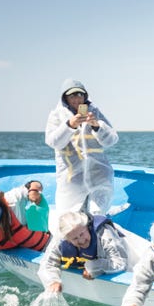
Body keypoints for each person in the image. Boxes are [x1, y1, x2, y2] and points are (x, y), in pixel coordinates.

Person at [44, 78, 119, 221]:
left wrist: (97, 126)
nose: (77, 99)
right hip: (71, 181)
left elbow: (112, 139)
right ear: (65, 98)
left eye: (80, 94)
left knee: (97, 217)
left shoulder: (94, 112)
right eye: (72, 95)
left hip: (99, 177)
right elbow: (52, 142)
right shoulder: (56, 115)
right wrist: (69, 126)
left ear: (85, 96)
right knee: (69, 221)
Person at [37, 211, 130, 294]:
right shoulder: (61, 239)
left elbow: (120, 263)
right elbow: (46, 264)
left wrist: (93, 267)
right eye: (75, 238)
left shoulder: (104, 233)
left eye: (82, 234)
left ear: (87, 227)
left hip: (127, 250)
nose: (81, 241)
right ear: (67, 239)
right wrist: (53, 281)